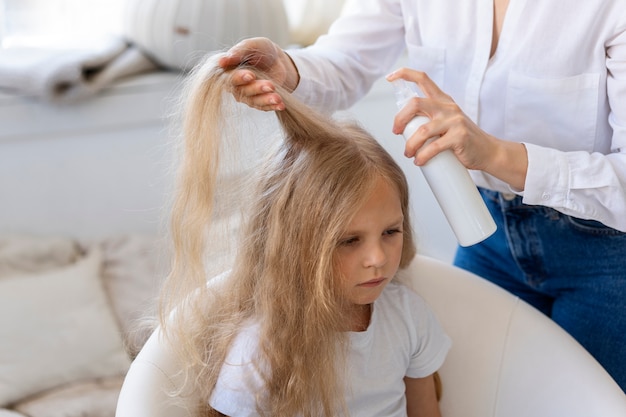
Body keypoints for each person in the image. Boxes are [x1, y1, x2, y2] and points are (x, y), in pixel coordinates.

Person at [217, 1, 626, 392]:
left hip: (605, 248)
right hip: (487, 230)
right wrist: (287, 70)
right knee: (471, 390)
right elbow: (347, 59)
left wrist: (497, 154)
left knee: (593, 397)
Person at [158, 52, 451, 416]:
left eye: (391, 231)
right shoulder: (259, 351)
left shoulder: (407, 317)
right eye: (349, 240)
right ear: (291, 245)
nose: (377, 258)